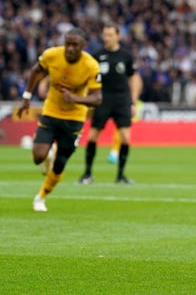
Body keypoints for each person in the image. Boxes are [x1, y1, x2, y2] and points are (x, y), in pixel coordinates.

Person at [17, 28, 102, 212]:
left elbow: (97, 98)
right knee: (38, 157)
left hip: (74, 118)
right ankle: (48, 153)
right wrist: (26, 96)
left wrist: (75, 98)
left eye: (75, 45)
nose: (70, 48)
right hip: (51, 111)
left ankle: (41, 197)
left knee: (61, 162)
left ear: (83, 46)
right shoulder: (51, 55)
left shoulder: (91, 66)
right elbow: (36, 72)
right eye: (67, 44)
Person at [78, 23, 142, 185]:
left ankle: (120, 176)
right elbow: (88, 77)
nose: (106, 38)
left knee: (126, 138)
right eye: (105, 35)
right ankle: (87, 174)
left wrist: (133, 101)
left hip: (122, 100)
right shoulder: (97, 55)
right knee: (93, 136)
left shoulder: (126, 56)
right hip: (102, 99)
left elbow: (133, 78)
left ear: (118, 36)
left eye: (110, 35)